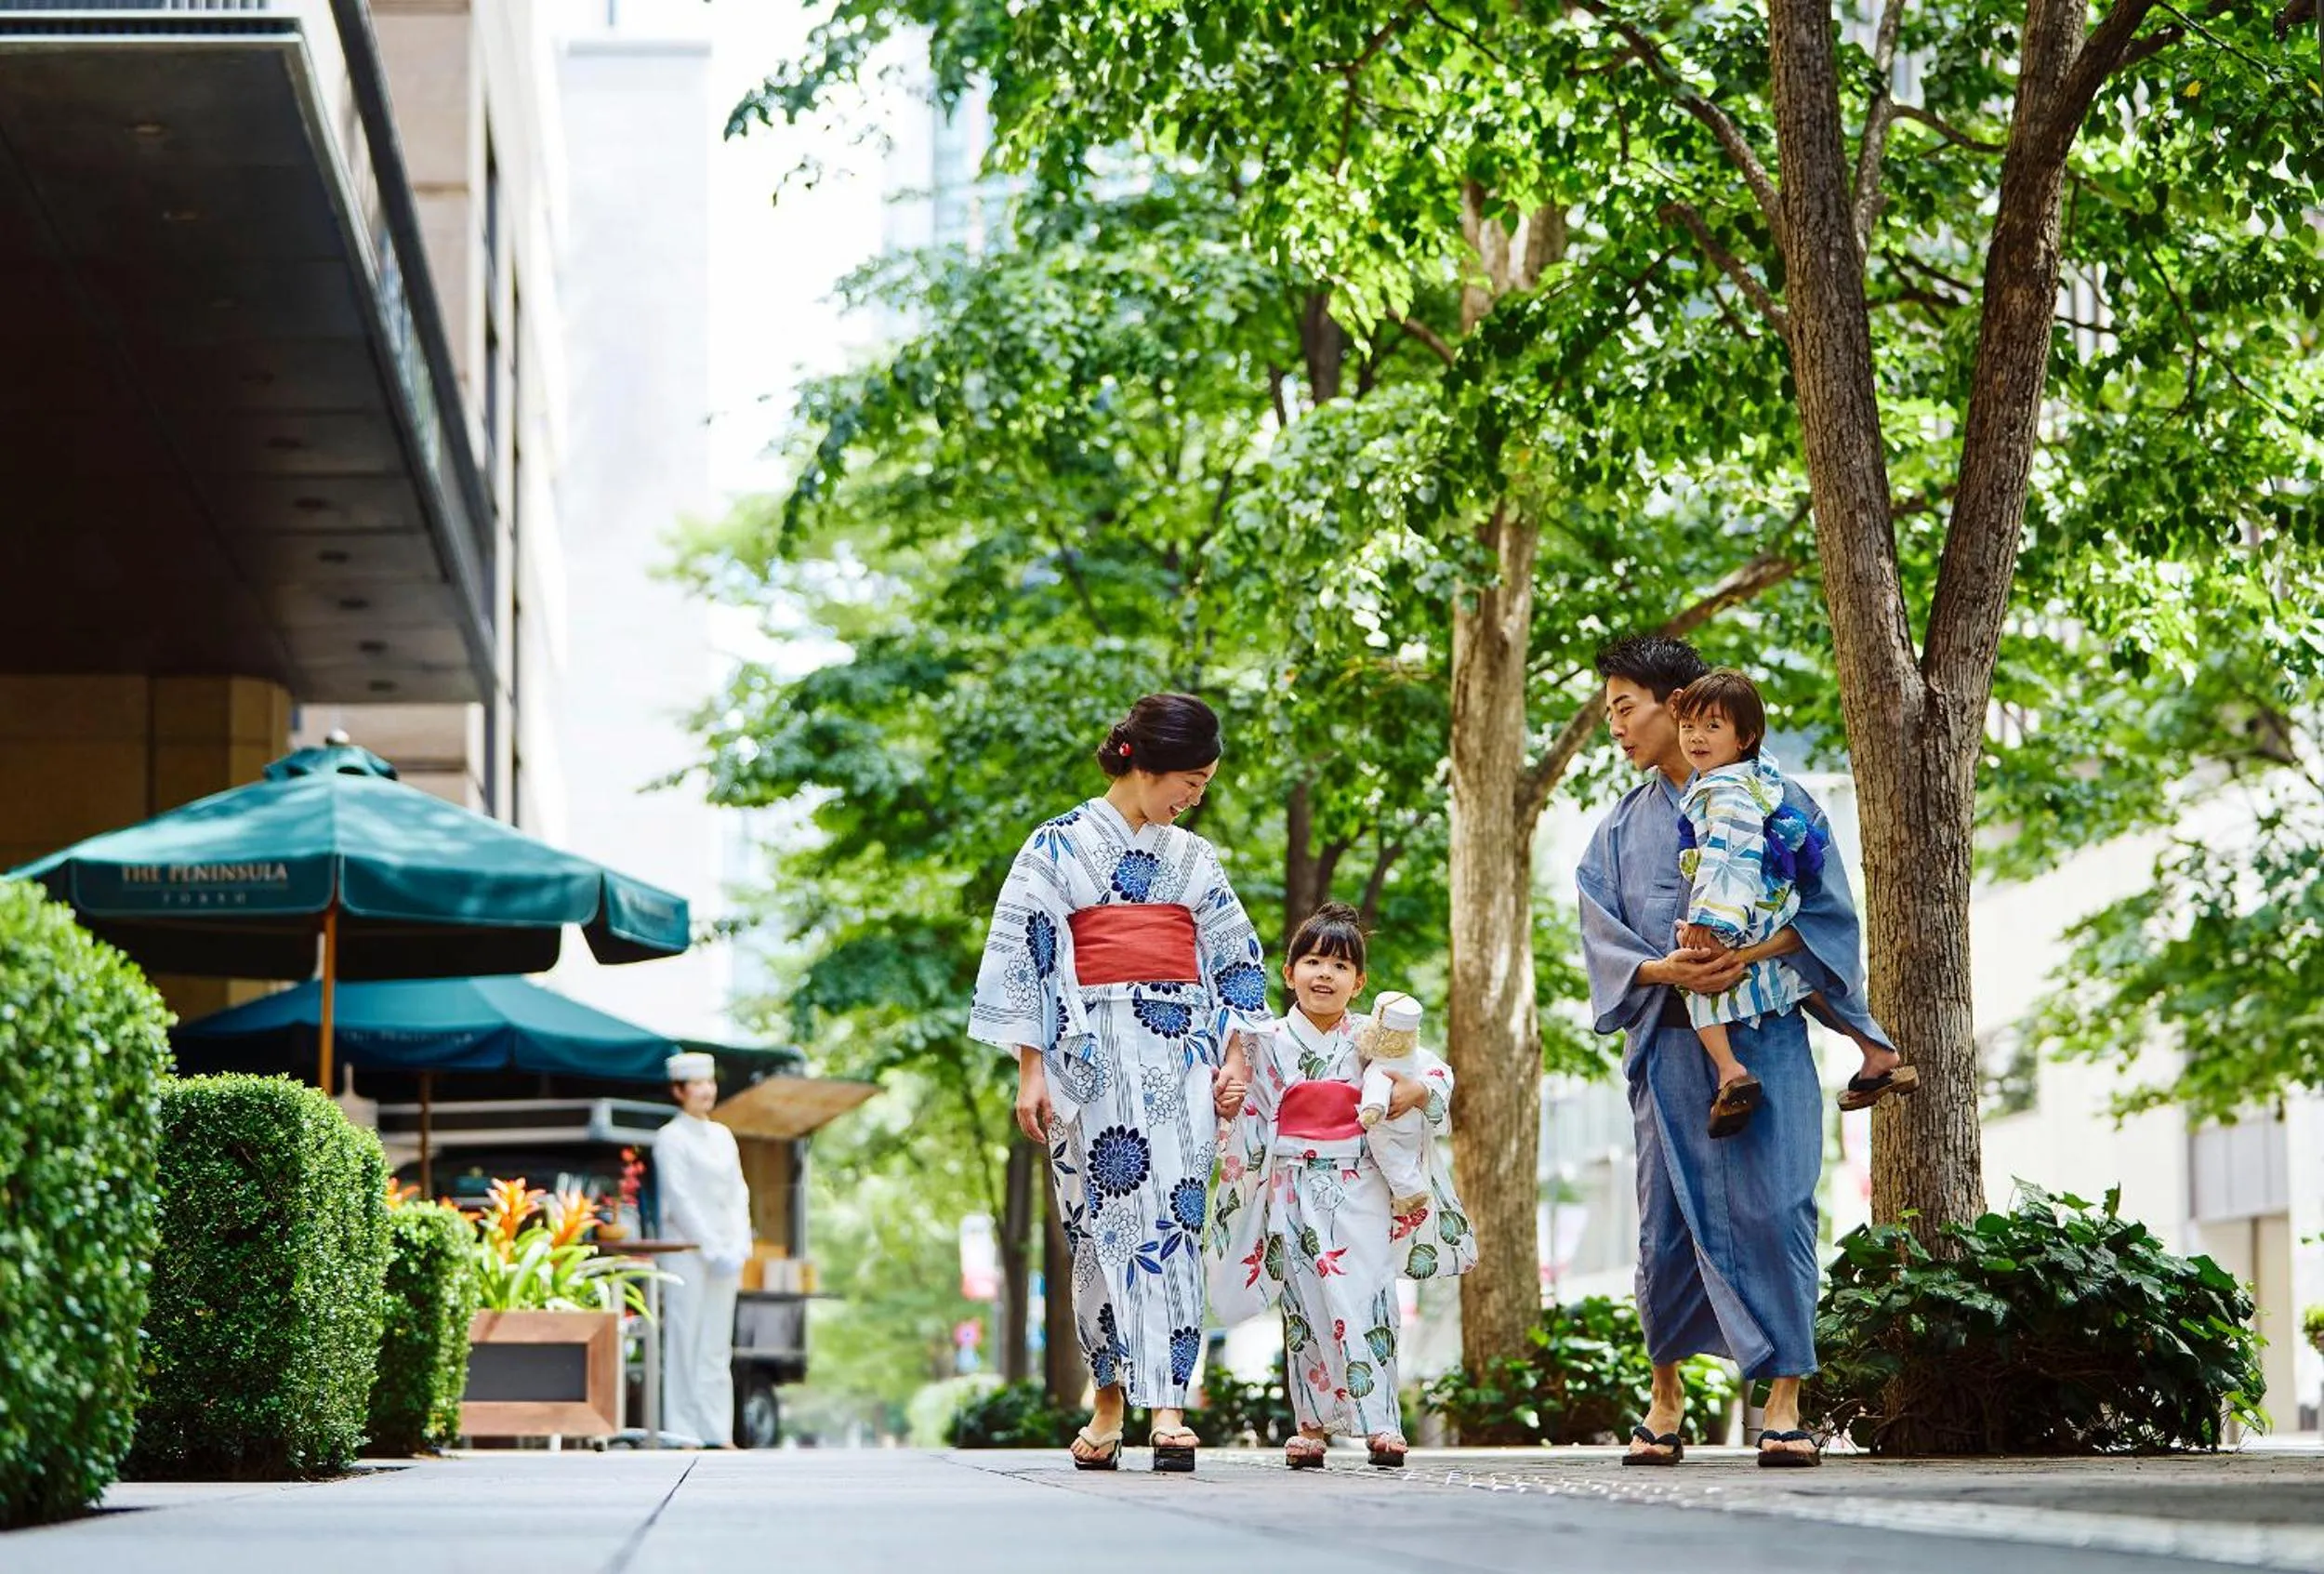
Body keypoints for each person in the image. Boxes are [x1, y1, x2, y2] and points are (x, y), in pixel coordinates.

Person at [1577, 636, 1894, 1469]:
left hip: (1771, 1033)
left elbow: (1828, 917)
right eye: (1609, 712)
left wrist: (1747, 955)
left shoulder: (1783, 800)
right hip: (1668, 1046)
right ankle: (1666, 1398)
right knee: (1664, 1227)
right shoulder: (1618, 829)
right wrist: (1665, 969)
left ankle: (1784, 1402)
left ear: (1681, 705)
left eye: (1625, 708)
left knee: (1781, 1210)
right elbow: (1602, 939)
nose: (1616, 726)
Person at [969, 693, 1271, 1474]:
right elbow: (1029, 955)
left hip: (1180, 1053)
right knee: (1094, 1228)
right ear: (1150, 764)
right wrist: (1031, 1068)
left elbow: (1236, 957)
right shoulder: (1056, 845)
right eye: (1192, 782)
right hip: (1087, 1055)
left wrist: (1236, 1056)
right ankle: (1107, 1399)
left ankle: (1169, 1406)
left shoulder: (1194, 858)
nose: (1194, 798)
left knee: (1176, 1219)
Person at [1206, 903, 1474, 1470]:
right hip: (1291, 1183)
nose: (1324, 974)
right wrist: (1227, 1104)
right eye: (1311, 961)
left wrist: (1418, 1093)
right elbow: (1246, 1109)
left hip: (1360, 1182)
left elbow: (1434, 1074)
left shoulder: (1373, 1038)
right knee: (1305, 1302)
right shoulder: (1265, 1040)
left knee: (1369, 1295)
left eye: (1339, 965)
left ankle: (1383, 1422)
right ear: (1288, 973)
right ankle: (1310, 1426)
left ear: (1360, 982)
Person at [1669, 669, 1912, 1138]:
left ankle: (1730, 1071)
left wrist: (1705, 921)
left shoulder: (1723, 790)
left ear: (1745, 738)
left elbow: (1726, 854)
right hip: (1774, 897)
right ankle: (1876, 1051)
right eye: (1688, 725)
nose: (1696, 737)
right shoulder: (1757, 777)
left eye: (1713, 726)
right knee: (1800, 976)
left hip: (1743, 902)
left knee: (1694, 976)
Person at [654, 1050, 752, 1448]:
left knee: (716, 1344)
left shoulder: (723, 1136)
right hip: (687, 1250)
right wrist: (710, 1247)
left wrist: (740, 1242)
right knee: (685, 1339)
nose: (706, 1090)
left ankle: (717, 1429)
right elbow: (680, 1198)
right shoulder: (670, 1138)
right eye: (696, 1084)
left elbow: (738, 1191)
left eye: (709, 1082)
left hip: (727, 1249)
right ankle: (683, 1431)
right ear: (679, 1091)